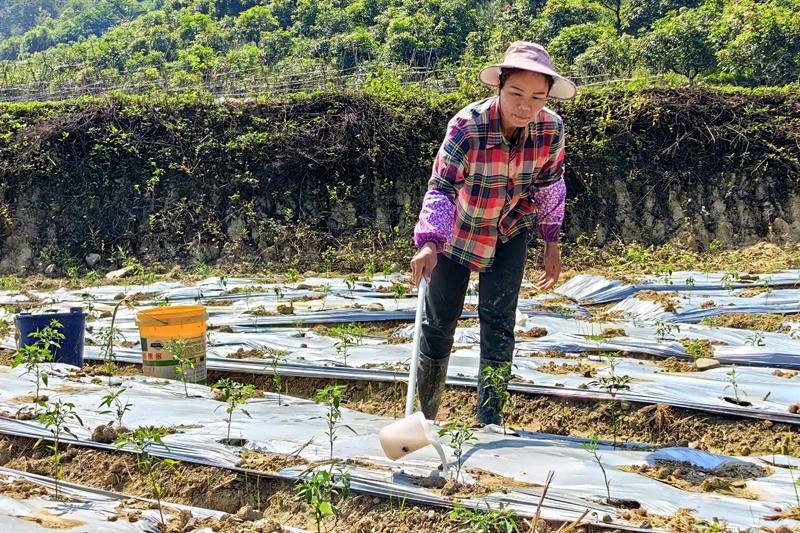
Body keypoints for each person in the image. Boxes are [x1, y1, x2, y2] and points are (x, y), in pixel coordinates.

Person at [410, 41, 577, 424]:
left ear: (547, 97)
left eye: (537, 97)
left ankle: (491, 417)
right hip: (458, 230)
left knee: (500, 321)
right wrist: (429, 243)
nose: (525, 105)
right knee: (439, 323)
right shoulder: (467, 127)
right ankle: (425, 416)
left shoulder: (551, 129)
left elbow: (550, 185)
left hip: (510, 228)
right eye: (516, 93)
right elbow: (442, 187)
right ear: (499, 88)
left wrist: (551, 242)